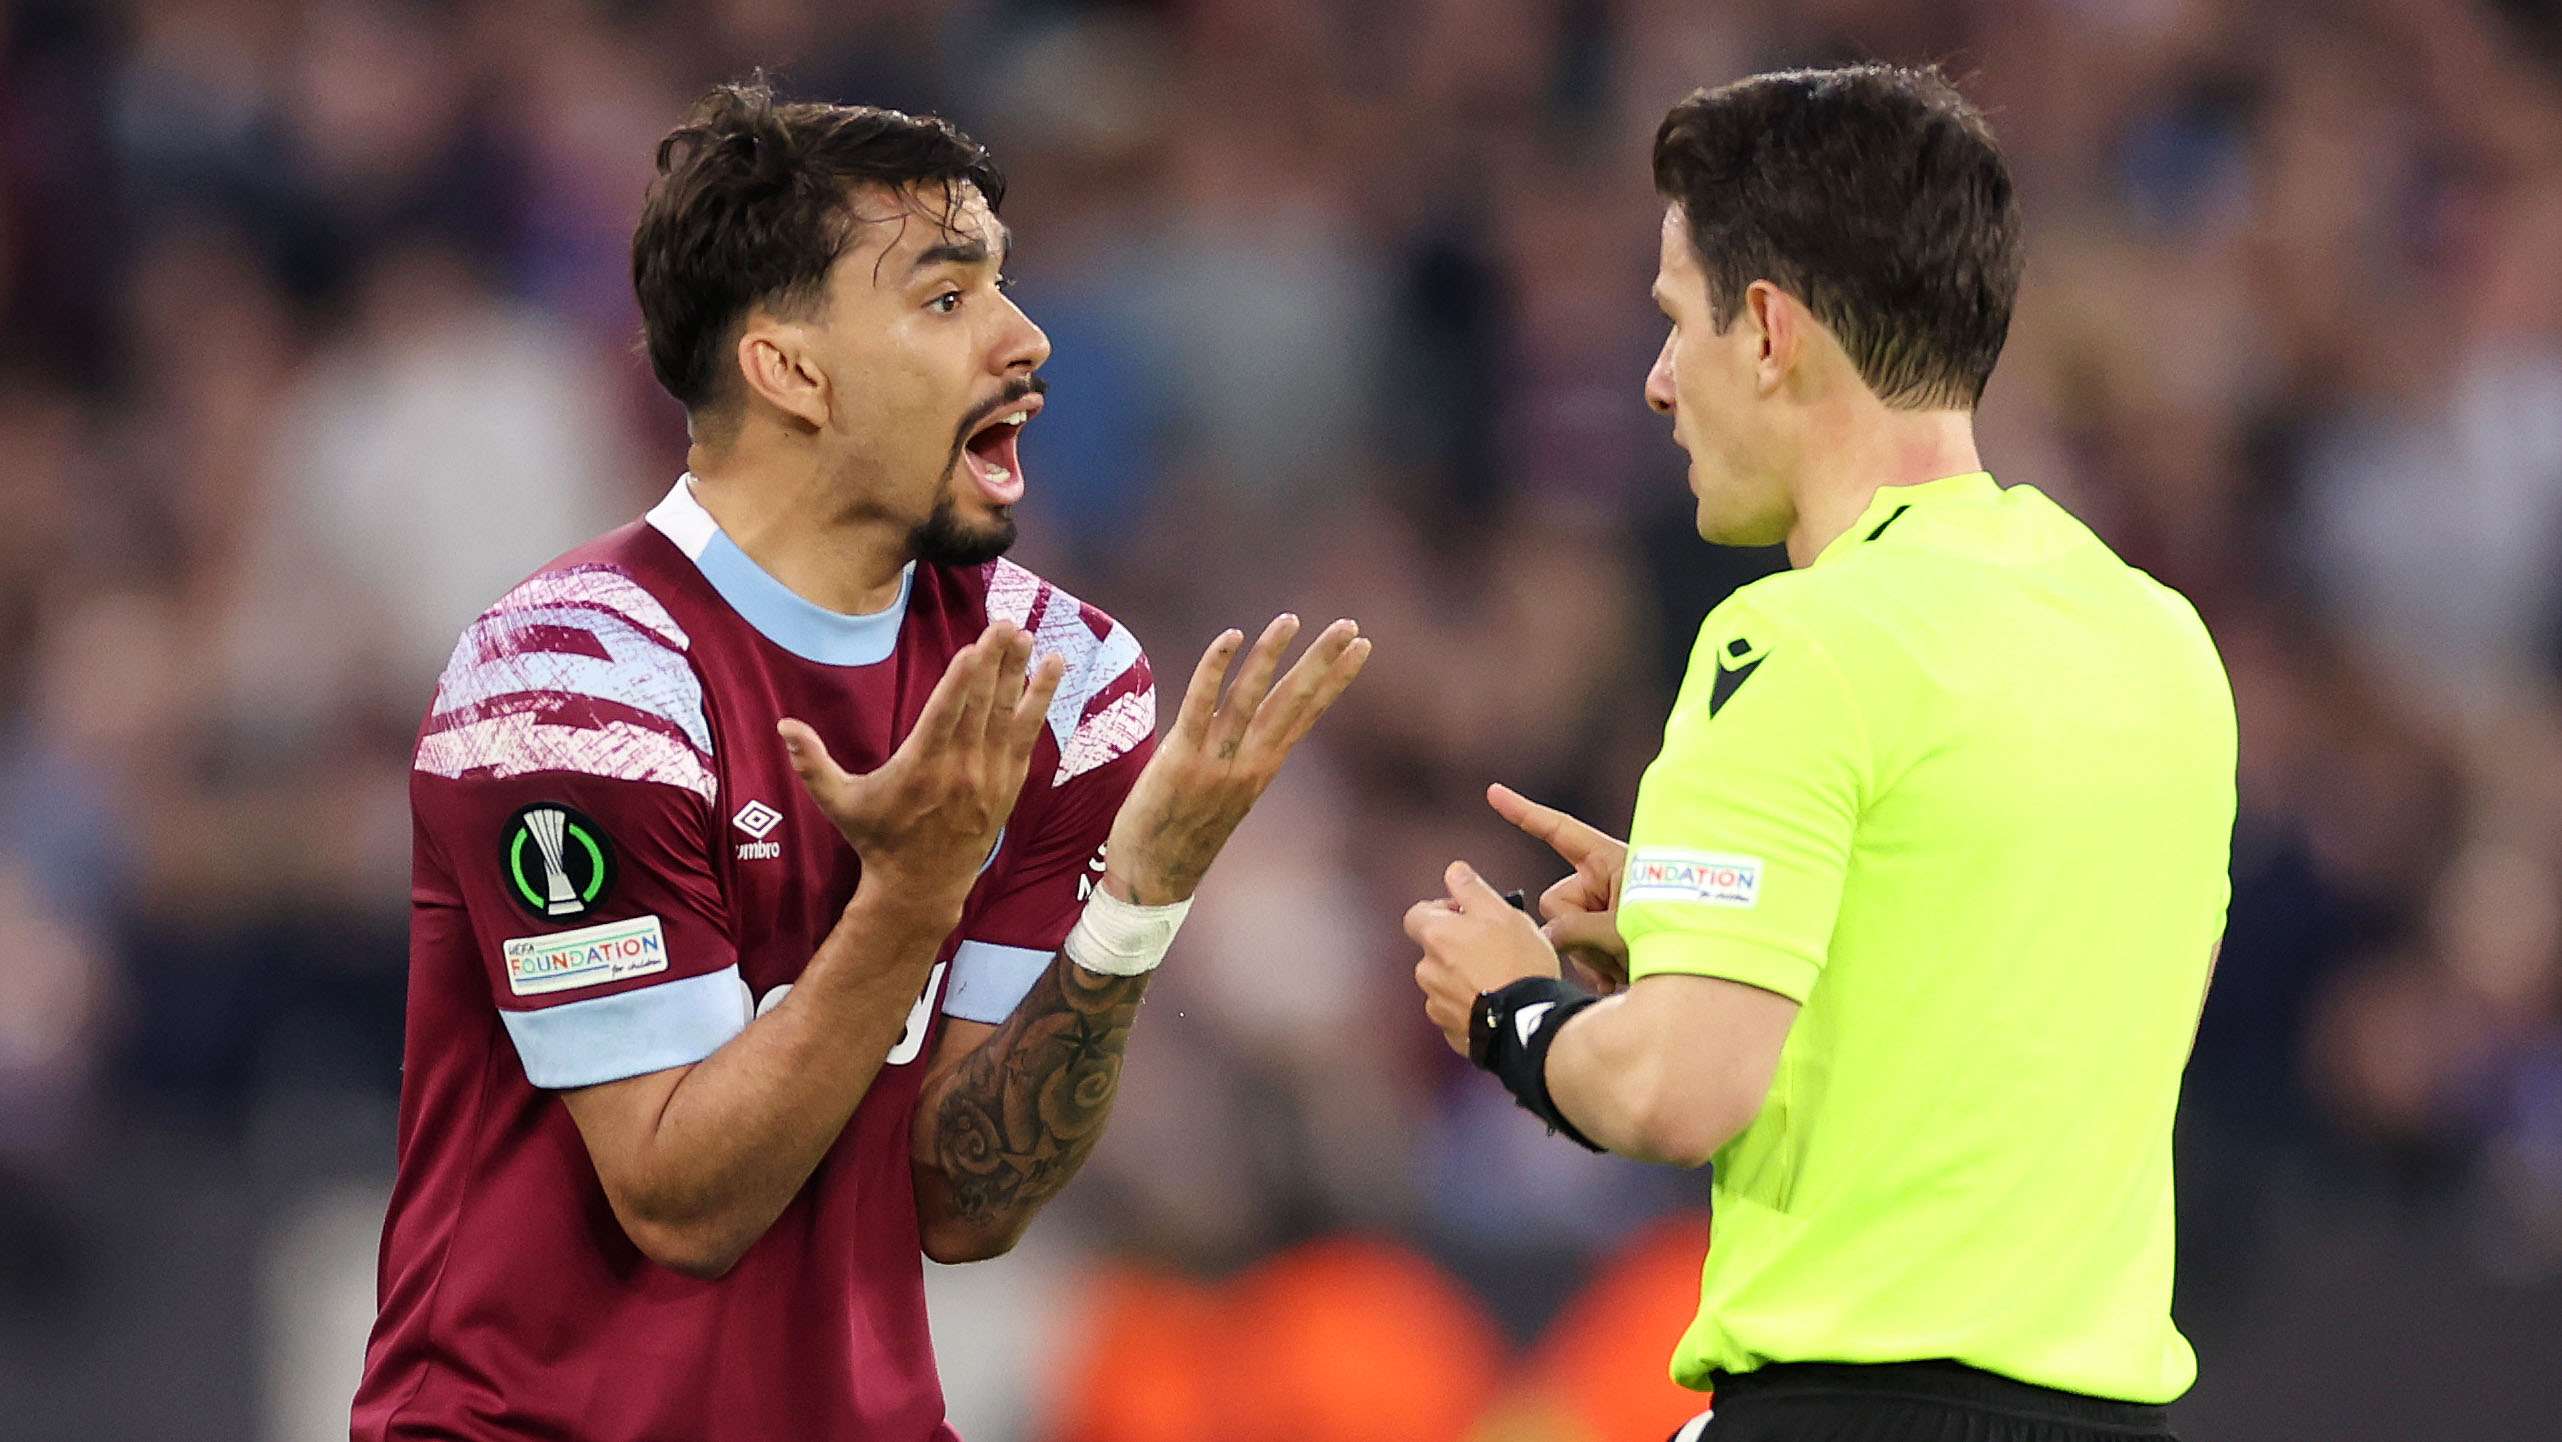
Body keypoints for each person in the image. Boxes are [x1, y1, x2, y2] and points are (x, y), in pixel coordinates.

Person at [352, 79, 1369, 1441]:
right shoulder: (570, 680)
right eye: (947, 300)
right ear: (790, 368)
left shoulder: (1060, 680)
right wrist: (908, 893)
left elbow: (962, 1203)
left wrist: (1137, 907)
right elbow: (681, 1201)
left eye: (1001, 286)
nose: (1025, 339)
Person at [1407, 64, 2233, 1442]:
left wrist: (1514, 1008)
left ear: (1772, 333)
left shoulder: (1796, 643)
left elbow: (1676, 1086)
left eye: (1675, 323)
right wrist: (1713, 925)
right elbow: (2063, 1017)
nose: (1659, 383)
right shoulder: (2162, 639)